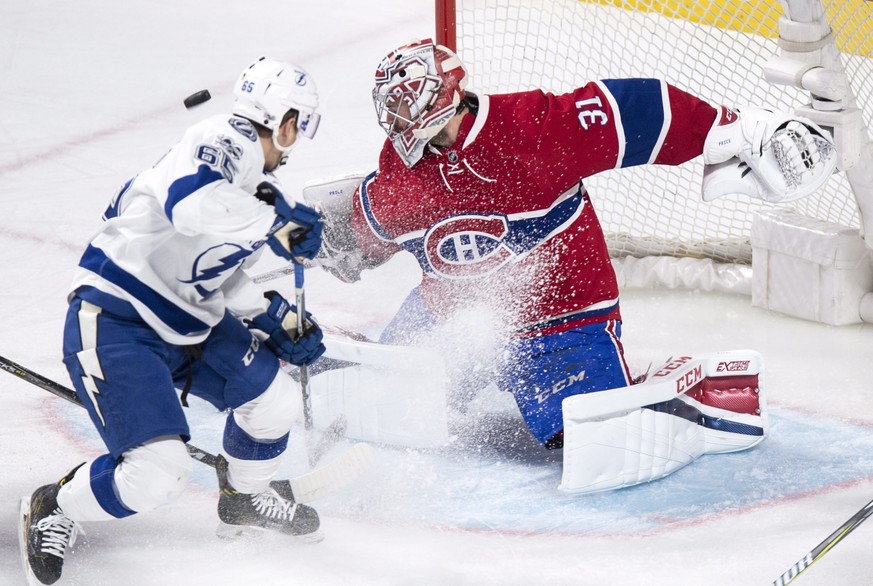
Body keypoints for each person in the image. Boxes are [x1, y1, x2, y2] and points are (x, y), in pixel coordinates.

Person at [313, 39, 835, 450]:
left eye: (414, 110)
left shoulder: (533, 129)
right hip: (449, 318)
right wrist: (329, 241)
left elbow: (637, 109)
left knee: (588, 437)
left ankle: (689, 397)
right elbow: (362, 228)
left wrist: (737, 130)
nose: (406, 127)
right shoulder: (399, 176)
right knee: (387, 408)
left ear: (446, 96)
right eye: (397, 113)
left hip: (561, 322)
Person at [20, 56, 327, 585]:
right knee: (157, 476)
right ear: (284, 119)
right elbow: (190, 207)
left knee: (272, 401)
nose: (300, 135)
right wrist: (276, 223)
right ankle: (55, 505)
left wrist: (271, 316)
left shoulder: (259, 184)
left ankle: (243, 499)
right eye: (301, 122)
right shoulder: (222, 139)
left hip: (189, 325)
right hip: (118, 319)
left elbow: (217, 265)